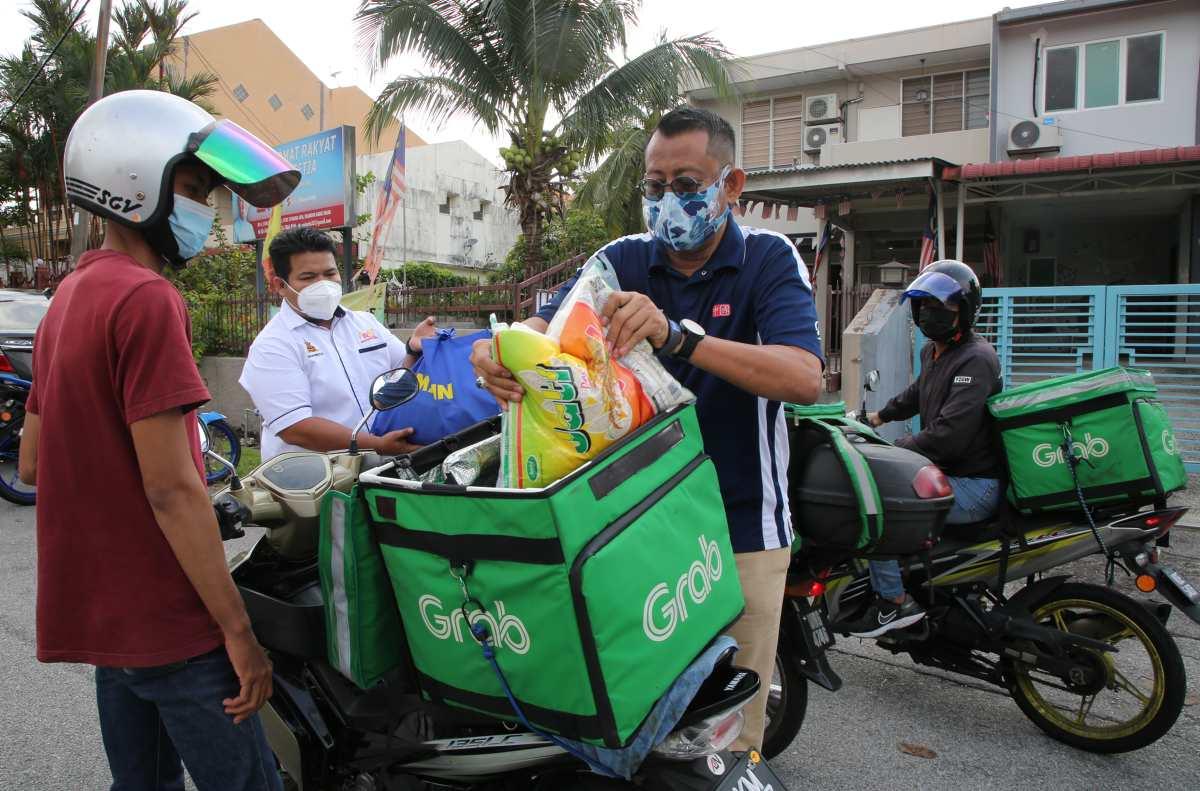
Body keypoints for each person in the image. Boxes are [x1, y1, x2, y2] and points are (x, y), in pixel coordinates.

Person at [470, 106, 824, 751]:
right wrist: (495, 359)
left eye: (687, 185)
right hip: (624, 531)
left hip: (739, 530)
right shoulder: (617, 261)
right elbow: (540, 343)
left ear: (733, 184)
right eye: (654, 187)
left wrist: (679, 337)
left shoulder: (771, 259)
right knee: (632, 716)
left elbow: (804, 378)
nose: (668, 201)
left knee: (721, 731)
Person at [17, 90, 298, 791]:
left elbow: (32, 461)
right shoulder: (147, 300)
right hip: (174, 629)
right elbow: (172, 489)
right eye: (197, 189)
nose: (211, 214)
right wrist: (238, 633)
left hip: (114, 633)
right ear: (134, 180)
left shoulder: (67, 302)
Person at [842, 260, 1004, 638]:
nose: (928, 314)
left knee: (879, 505)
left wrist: (897, 453)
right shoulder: (936, 352)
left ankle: (892, 603)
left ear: (964, 311)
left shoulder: (976, 359)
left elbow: (948, 435)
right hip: (950, 473)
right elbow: (916, 395)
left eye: (939, 307)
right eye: (923, 306)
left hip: (974, 484)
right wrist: (872, 419)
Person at [239, 226, 436, 461]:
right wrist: (376, 445)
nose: (323, 283)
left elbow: (400, 377)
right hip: (314, 482)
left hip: (377, 471)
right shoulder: (272, 346)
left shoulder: (365, 323)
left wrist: (413, 350)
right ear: (280, 285)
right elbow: (296, 428)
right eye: (308, 277)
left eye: (330, 273)